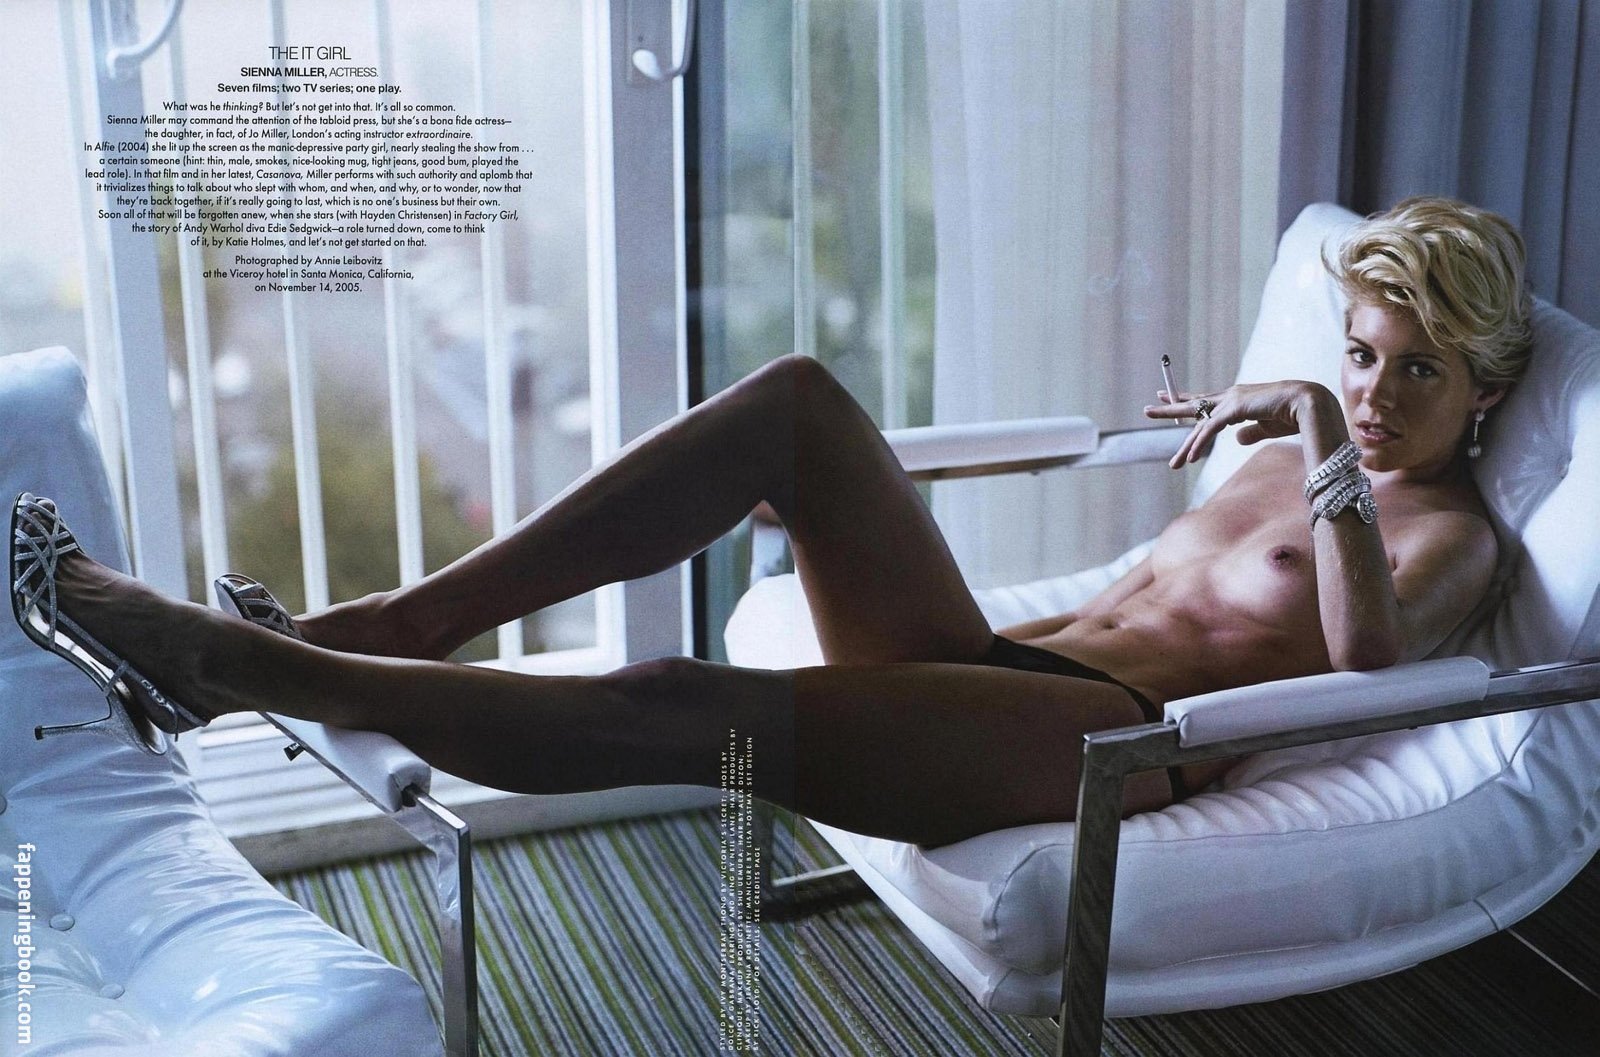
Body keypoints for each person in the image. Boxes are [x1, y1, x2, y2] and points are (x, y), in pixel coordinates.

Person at [9, 196, 1532, 848]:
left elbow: (1361, 662)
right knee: (797, 402)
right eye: (1360, 356)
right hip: (996, 668)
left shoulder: (1447, 530)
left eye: (1419, 371)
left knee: (674, 697)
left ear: (1485, 390)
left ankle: (239, 666)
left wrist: (1316, 428)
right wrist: (1301, 436)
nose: (1376, 393)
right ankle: (410, 619)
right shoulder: (1271, 467)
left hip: (1103, 747)